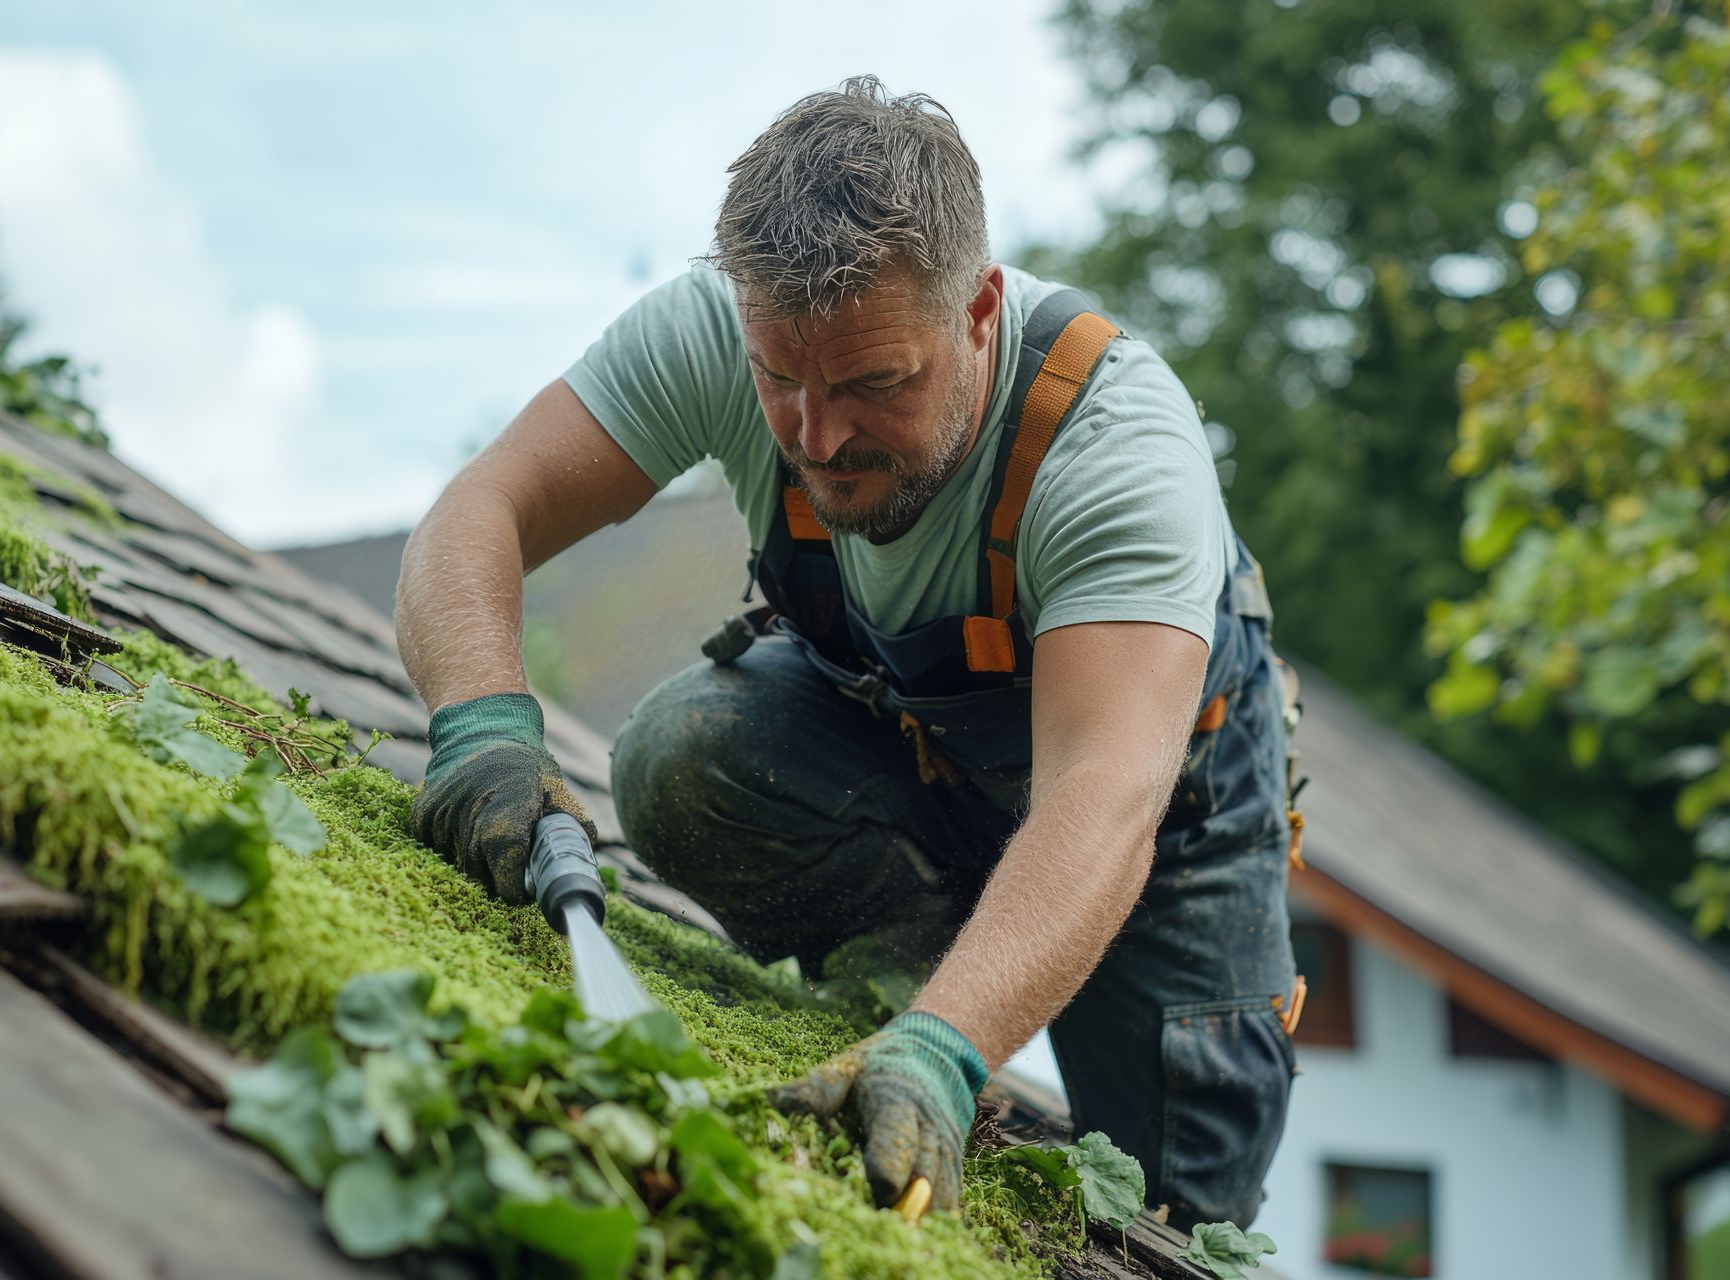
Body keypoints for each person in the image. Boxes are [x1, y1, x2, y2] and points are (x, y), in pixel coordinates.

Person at [395, 76, 1301, 1231]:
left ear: (978, 311)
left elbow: (1103, 794)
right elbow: (479, 510)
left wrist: (949, 1047)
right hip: (921, 764)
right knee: (683, 753)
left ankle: (946, 1025)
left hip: (1154, 824)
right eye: (782, 381)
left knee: (1169, 1220)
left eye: (875, 384)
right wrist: (479, 720)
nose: (817, 437)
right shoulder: (716, 330)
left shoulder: (1116, 449)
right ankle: (909, 980)